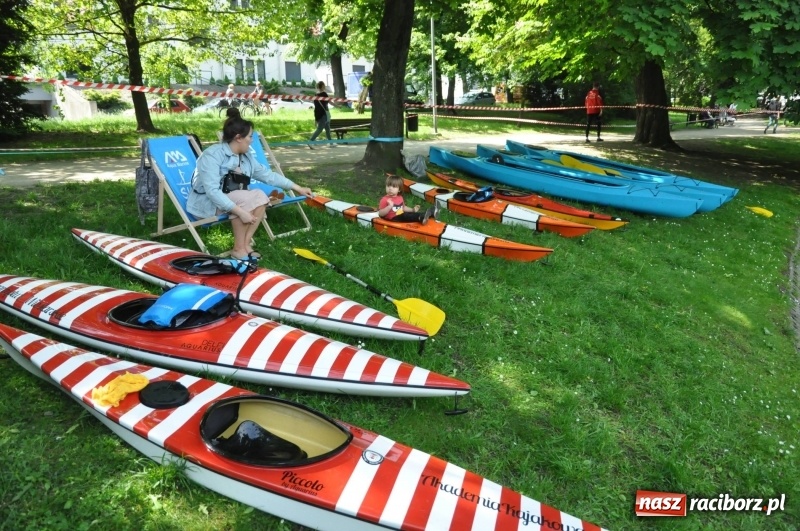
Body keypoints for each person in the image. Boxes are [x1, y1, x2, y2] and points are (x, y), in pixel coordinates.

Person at [187, 108, 313, 260]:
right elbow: (212, 192)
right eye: (250, 136)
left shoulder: (245, 156)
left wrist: (298, 188)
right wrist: (241, 213)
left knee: (260, 196)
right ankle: (238, 249)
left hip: (230, 199)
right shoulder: (212, 156)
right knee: (246, 199)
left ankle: (245, 245)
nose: (252, 140)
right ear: (239, 138)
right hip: (207, 204)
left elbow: (267, 175)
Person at [309, 81, 333, 146]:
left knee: (327, 128)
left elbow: (316, 105)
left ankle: (331, 142)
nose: (325, 86)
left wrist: (316, 117)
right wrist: (337, 106)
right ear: (322, 86)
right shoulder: (324, 94)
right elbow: (330, 102)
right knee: (320, 129)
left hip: (318, 113)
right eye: (324, 85)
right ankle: (311, 141)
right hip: (324, 113)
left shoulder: (316, 95)